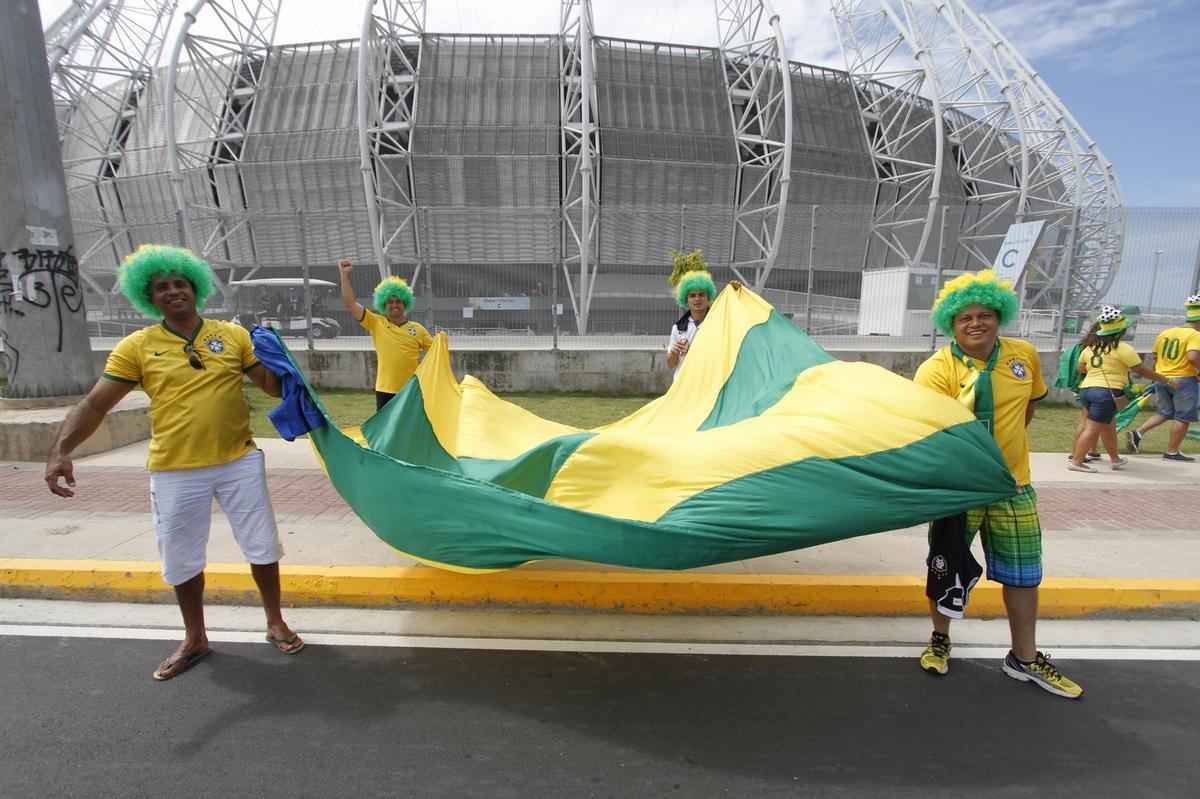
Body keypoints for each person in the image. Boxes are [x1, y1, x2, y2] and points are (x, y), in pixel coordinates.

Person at [44, 245, 304, 682]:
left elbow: (274, 388)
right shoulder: (138, 347)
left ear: (195, 288)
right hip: (175, 469)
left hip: (239, 460)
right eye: (161, 287)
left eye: (180, 283)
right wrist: (60, 450)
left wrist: (278, 358)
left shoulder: (232, 336)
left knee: (262, 545)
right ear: (150, 298)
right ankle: (195, 637)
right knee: (182, 558)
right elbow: (94, 405)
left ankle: (274, 621)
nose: (173, 291)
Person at [913, 269, 1082, 699]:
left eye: (984, 314)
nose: (975, 323)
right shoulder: (936, 370)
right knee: (944, 569)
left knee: (1023, 576)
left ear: (999, 316)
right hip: (959, 489)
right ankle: (940, 639)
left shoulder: (1022, 354)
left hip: (1013, 487)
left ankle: (1024, 659)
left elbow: (1028, 410)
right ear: (950, 323)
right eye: (965, 317)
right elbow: (929, 432)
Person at [1070, 306, 1172, 472]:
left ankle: (1115, 459)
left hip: (1087, 390)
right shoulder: (1124, 349)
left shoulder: (1090, 348)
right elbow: (1140, 370)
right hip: (1106, 393)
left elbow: (1081, 369)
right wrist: (1163, 379)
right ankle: (1077, 461)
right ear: (1119, 332)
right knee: (1092, 429)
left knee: (1109, 425)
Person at [337, 259, 434, 410]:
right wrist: (344, 276)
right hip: (385, 391)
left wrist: (442, 341)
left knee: (409, 431)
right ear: (383, 304)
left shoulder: (418, 329)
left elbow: (436, 354)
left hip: (410, 391)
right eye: (390, 302)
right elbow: (350, 304)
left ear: (405, 303)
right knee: (385, 433)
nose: (394, 305)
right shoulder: (376, 323)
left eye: (398, 301)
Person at [1127, 295, 1200, 461]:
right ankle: (1172, 451)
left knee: (1165, 412)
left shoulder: (1166, 333)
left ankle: (1138, 433)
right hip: (1183, 379)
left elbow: (1155, 356)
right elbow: (1193, 357)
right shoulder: (1195, 335)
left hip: (1162, 378)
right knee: (1184, 416)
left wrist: (1159, 375)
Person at [664, 249, 739, 379]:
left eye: (701, 295)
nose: (697, 299)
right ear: (686, 300)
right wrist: (675, 351)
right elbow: (671, 365)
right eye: (692, 296)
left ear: (708, 296)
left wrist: (736, 293)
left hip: (709, 386)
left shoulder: (719, 322)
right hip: (684, 386)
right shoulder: (678, 328)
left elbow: (736, 315)